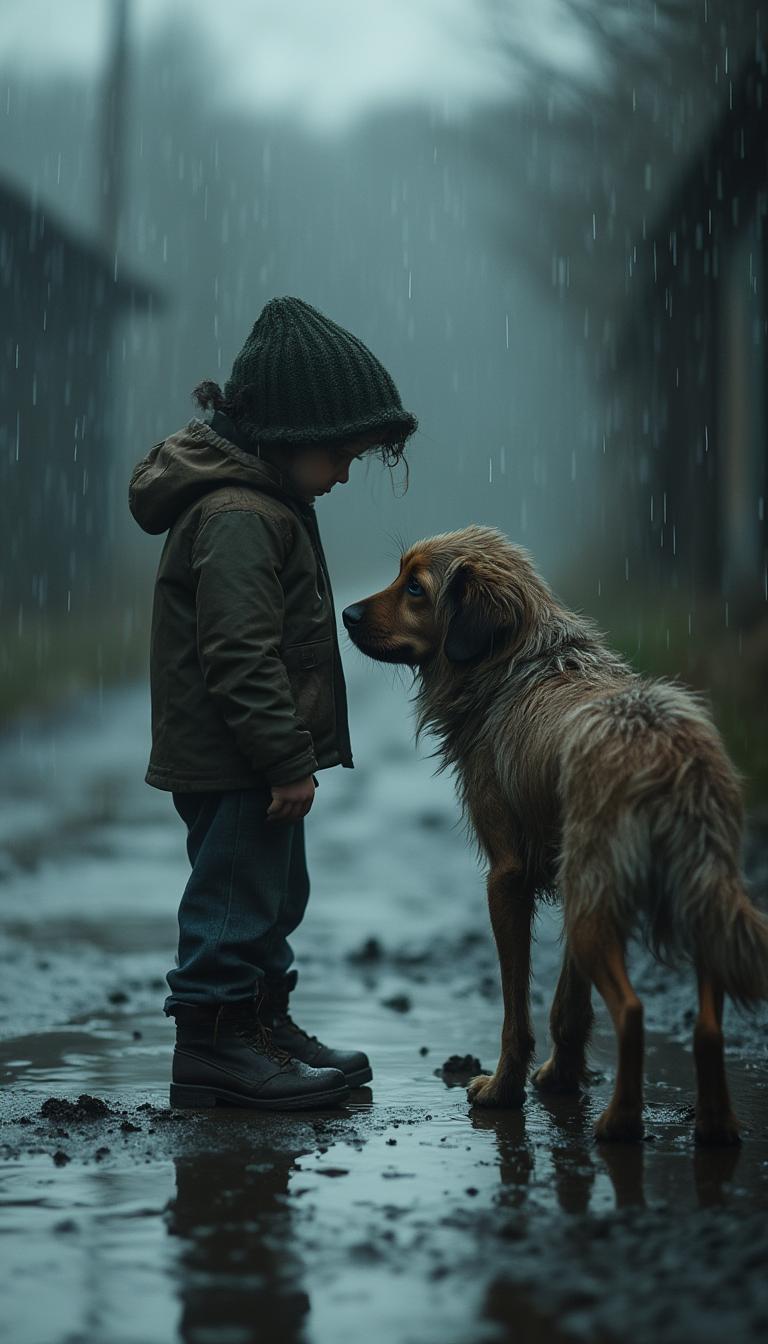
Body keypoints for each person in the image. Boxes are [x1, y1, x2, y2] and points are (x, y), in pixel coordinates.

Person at [128, 296, 418, 1110]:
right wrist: (286, 758)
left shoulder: (268, 502)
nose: (348, 471)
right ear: (288, 438)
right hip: (234, 759)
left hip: (249, 757)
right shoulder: (240, 515)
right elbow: (240, 655)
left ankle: (264, 1024)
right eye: (340, 454)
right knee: (230, 900)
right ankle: (217, 1046)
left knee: (271, 895)